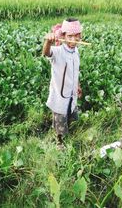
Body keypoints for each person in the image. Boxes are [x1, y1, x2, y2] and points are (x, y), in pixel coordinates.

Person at [42, 18, 82, 149]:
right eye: (69, 36)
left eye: (76, 37)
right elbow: (46, 53)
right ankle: (60, 142)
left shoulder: (75, 51)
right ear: (63, 36)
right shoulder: (58, 51)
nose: (73, 40)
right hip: (60, 96)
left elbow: (75, 71)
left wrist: (78, 85)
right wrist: (48, 41)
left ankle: (68, 134)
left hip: (71, 94)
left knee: (70, 116)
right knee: (60, 120)